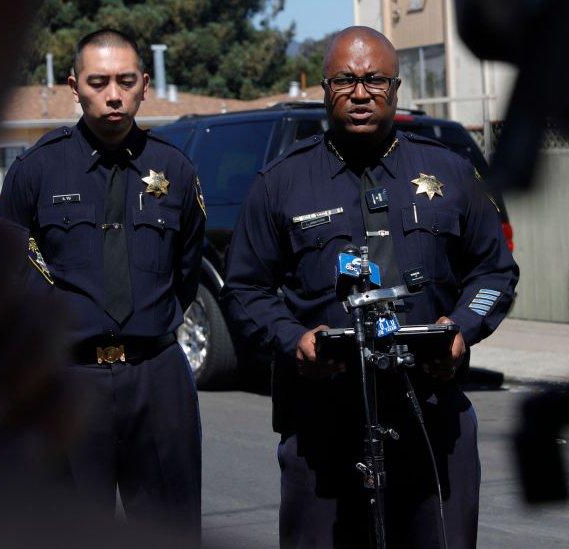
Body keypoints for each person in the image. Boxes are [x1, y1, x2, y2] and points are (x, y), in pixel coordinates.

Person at [221, 25, 519, 548]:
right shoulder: (281, 183)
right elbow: (246, 289)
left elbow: (495, 272)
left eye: (375, 80)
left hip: (430, 412)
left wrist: (461, 330)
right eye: (345, 80)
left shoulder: (450, 172)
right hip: (322, 420)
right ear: (324, 88)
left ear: (397, 88)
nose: (361, 93)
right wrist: (296, 340)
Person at [0, 29, 205, 539]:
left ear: (144, 85)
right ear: (74, 86)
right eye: (98, 81)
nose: (113, 94)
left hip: (157, 377)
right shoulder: (36, 171)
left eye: (125, 81)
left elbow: (187, 270)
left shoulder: (174, 168)